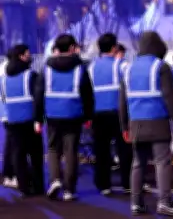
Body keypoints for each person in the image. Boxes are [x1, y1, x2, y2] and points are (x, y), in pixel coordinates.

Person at [120, 31, 173, 216]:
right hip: (158, 122)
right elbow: (170, 98)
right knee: (162, 162)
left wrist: (124, 126)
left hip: (136, 123)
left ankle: (136, 203)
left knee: (138, 163)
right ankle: (164, 202)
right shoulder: (161, 67)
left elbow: (122, 101)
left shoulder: (128, 69)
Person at [35, 34, 94, 201]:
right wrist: (88, 116)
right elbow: (87, 94)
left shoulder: (46, 68)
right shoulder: (80, 68)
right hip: (73, 114)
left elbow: (39, 94)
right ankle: (69, 190)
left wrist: (38, 119)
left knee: (53, 148)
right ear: (71, 48)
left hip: (52, 114)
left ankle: (55, 179)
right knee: (71, 151)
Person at [90, 32, 132, 195]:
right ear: (114, 48)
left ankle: (103, 185)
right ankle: (128, 183)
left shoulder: (91, 67)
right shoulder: (122, 65)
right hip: (119, 113)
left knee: (101, 150)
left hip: (98, 114)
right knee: (125, 149)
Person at [1, 44, 44, 196]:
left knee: (18, 155)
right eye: (27, 53)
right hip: (30, 120)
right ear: (21, 56)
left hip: (12, 121)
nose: (29, 56)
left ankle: (24, 187)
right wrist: (39, 119)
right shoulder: (31, 76)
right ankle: (38, 187)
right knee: (35, 155)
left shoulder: (4, 79)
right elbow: (38, 99)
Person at [0, 53, 15, 189]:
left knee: (10, 144)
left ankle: (8, 174)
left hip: (7, 112)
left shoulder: (3, 68)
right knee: (12, 145)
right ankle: (9, 175)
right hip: (10, 112)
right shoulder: (7, 69)